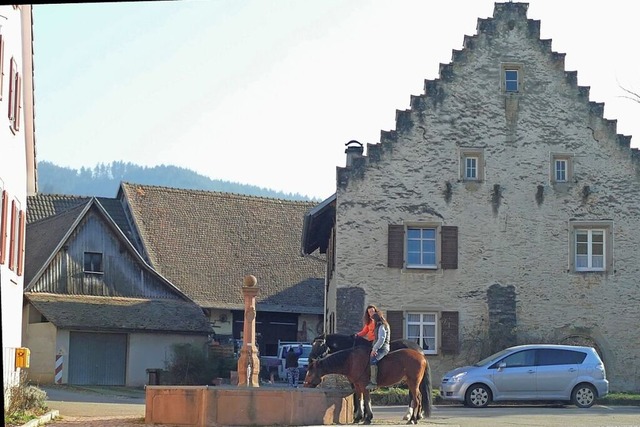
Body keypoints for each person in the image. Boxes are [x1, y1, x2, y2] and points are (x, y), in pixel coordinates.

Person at [366, 312, 390, 390]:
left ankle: (373, 382)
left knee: (373, 360)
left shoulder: (382, 326)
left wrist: (375, 349)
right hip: (379, 347)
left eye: (373, 320)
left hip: (383, 348)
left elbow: (381, 339)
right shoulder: (380, 325)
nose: (372, 322)